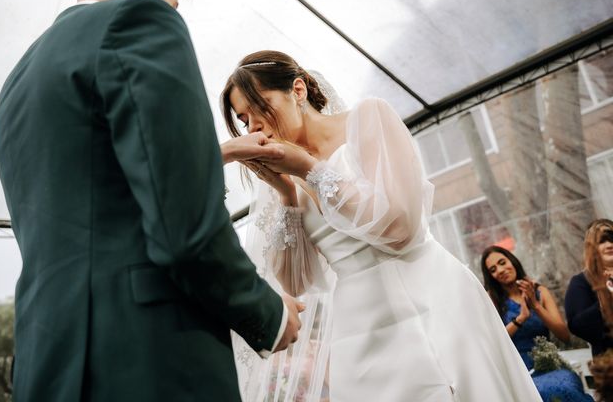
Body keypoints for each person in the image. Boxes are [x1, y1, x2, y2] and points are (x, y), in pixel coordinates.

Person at [0, 0, 303, 401]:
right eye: (173, 2)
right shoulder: (137, 20)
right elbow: (183, 219)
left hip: (48, 362)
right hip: (149, 355)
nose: (172, 15)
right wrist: (267, 311)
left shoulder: (13, 87)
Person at [220, 50, 541, 401]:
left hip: (432, 298)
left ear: (298, 91)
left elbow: (401, 230)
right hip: (361, 327)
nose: (253, 127)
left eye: (260, 107)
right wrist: (285, 194)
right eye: (243, 118)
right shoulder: (284, 178)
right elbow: (296, 282)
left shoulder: (368, 120)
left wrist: (310, 170)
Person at [481, 245, 594, 401]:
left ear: (512, 261)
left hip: (549, 363)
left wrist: (536, 306)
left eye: (502, 262)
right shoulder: (492, 299)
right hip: (519, 370)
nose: (500, 270)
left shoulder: (540, 291)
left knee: (565, 386)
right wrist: (520, 319)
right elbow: (494, 342)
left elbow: (564, 336)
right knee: (541, 391)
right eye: (493, 270)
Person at [566, 219, 613, 357]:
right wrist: (606, 298)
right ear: (591, 248)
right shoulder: (581, 282)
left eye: (612, 238)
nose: (609, 244)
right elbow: (578, 326)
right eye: (602, 240)